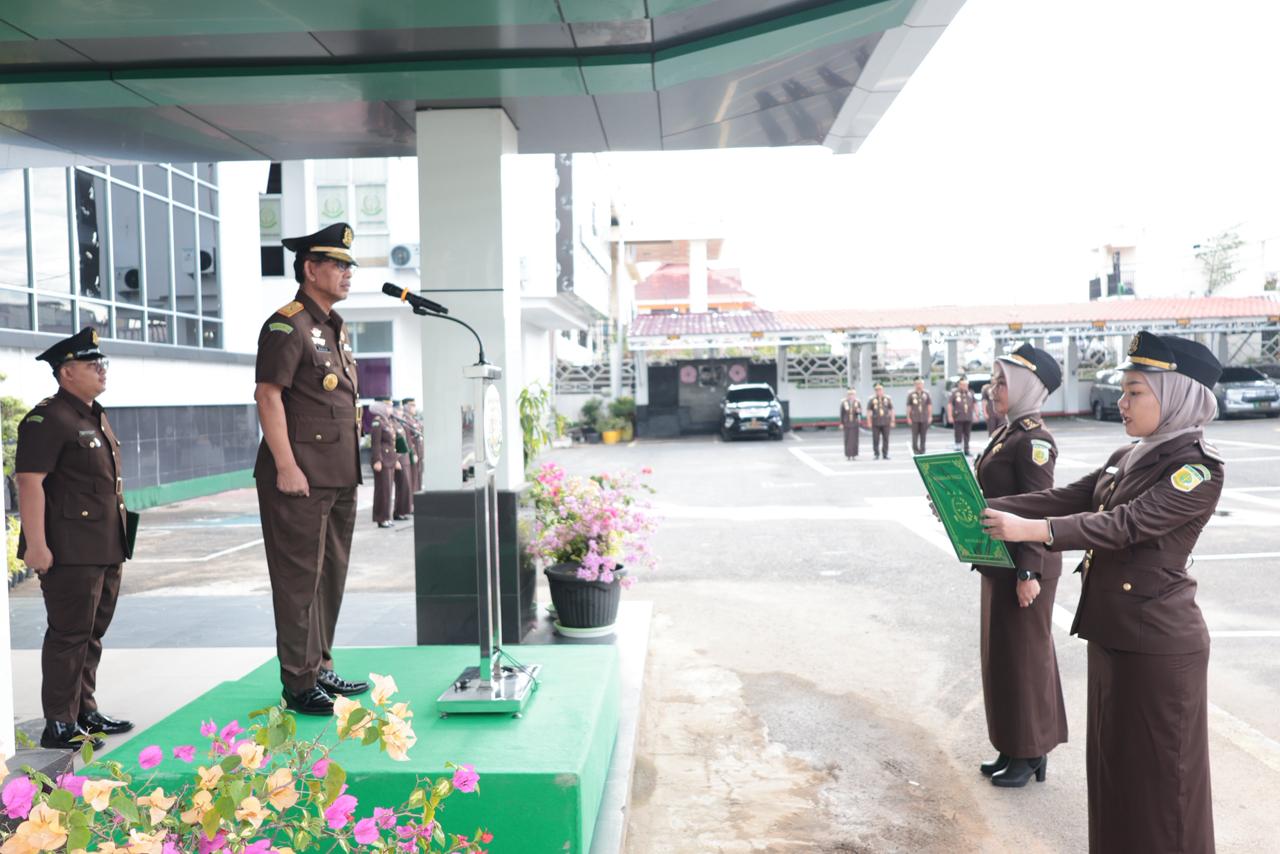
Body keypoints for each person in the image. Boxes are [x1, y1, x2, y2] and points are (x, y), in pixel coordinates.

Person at [981, 331, 1223, 853]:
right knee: (1116, 775)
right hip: (1115, 631)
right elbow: (1066, 495)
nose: (1122, 401)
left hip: (1159, 643)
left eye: (1136, 391)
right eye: (1124, 390)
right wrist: (982, 509)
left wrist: (1034, 532)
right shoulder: (1129, 454)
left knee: (1163, 786)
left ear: (1176, 394)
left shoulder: (1196, 469)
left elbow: (1125, 524)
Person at [253, 222, 369, 716]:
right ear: (310, 268)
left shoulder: (331, 327)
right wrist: (285, 465)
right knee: (299, 579)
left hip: (338, 473)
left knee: (329, 576)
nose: (347, 274)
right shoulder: (288, 324)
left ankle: (319, 666)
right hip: (299, 476)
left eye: (348, 266)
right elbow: (268, 395)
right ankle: (298, 683)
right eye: (339, 265)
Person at [14, 328, 136, 751]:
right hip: (68, 549)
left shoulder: (91, 414)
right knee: (69, 635)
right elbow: (29, 482)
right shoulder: (48, 418)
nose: (101, 370)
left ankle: (84, 710)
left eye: (101, 363)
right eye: (92, 364)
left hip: (103, 544)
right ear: (66, 372)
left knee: (91, 632)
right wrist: (36, 544)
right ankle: (60, 722)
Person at [968, 344, 1067, 788]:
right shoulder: (1007, 433)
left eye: (1002, 381)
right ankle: (1012, 745)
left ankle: (1031, 752)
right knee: (1003, 660)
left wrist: (1029, 573)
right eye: (994, 379)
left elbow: (1037, 509)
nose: (994, 389)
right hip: (998, 565)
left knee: (1026, 662)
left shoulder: (1035, 442)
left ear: (1028, 388)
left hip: (1024, 569)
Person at [367, 398, 397, 529]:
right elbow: (375, 443)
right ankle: (381, 518)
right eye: (388, 406)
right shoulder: (377, 422)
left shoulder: (387, 422)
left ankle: (387, 516)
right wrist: (377, 460)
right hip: (382, 461)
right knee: (382, 491)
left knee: (389, 490)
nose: (391, 409)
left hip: (389, 460)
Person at [391, 400, 414, 521]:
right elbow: (391, 445)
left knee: (407, 486)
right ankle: (398, 512)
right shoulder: (392, 424)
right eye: (398, 410)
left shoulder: (399, 424)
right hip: (399, 459)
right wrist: (395, 460)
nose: (400, 412)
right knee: (402, 486)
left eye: (400, 410)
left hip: (405, 459)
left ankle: (404, 510)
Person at [948, 378, 978, 456]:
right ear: (959, 385)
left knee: (967, 434)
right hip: (958, 417)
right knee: (958, 433)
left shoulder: (970, 392)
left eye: (966, 385)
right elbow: (950, 404)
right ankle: (958, 449)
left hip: (968, 416)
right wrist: (950, 416)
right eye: (963, 385)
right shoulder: (955, 393)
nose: (964, 386)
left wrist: (976, 414)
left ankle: (966, 449)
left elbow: (975, 404)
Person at [865, 384, 894, 460]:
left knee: (886, 439)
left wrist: (892, 420)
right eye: (877, 390)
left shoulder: (887, 399)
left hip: (886, 421)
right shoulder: (872, 400)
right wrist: (869, 421)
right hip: (876, 422)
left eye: (880, 390)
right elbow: (868, 411)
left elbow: (891, 410)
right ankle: (876, 454)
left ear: (883, 390)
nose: (879, 392)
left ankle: (885, 454)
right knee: (875, 439)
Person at [403, 397, 425, 491]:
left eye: (414, 405)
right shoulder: (405, 421)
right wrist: (414, 453)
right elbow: (408, 440)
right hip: (413, 454)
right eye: (412, 405)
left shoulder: (414, 420)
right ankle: (413, 502)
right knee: (414, 480)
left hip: (419, 454)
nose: (414, 408)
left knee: (419, 479)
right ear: (406, 407)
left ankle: (418, 501)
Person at [907, 378, 932, 455]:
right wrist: (908, 417)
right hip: (914, 418)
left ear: (923, 385)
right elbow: (909, 407)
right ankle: (915, 450)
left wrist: (930, 416)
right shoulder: (911, 394)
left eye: (920, 384)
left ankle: (922, 450)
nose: (919, 385)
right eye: (917, 384)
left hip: (924, 417)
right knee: (915, 435)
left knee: (923, 435)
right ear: (915, 385)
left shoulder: (926, 394)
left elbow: (929, 406)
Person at [839, 388, 862, 460]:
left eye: (852, 394)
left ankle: (854, 455)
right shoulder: (844, 403)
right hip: (847, 423)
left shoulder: (857, 402)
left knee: (855, 439)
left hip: (855, 423)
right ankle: (848, 455)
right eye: (849, 394)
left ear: (854, 395)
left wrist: (859, 412)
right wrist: (841, 423)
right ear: (847, 395)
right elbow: (842, 414)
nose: (851, 396)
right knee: (847, 439)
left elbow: (860, 414)